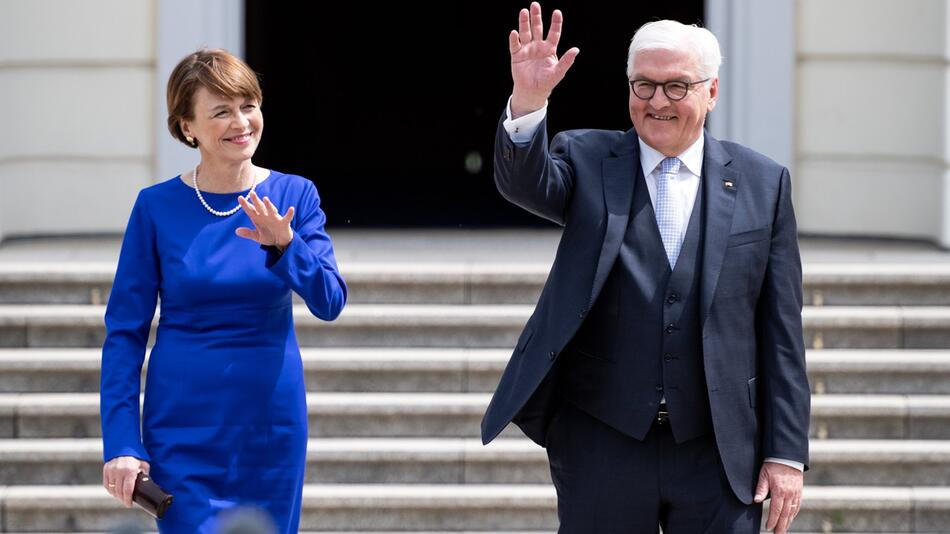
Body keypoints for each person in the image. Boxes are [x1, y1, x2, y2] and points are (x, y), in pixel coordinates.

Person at [480, 4, 810, 533]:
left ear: (712, 92)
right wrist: (529, 101)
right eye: (644, 86)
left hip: (718, 450)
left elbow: (782, 333)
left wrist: (786, 452)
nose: (658, 101)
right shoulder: (589, 159)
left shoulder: (762, 184)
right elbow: (527, 183)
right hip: (601, 442)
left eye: (677, 86)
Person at [100, 48, 347, 533]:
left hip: (269, 427)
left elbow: (330, 300)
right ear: (187, 126)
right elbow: (124, 334)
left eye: (248, 105)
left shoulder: (295, 196)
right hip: (181, 429)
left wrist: (287, 245)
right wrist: (123, 443)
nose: (241, 122)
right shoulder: (155, 208)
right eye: (221, 111)